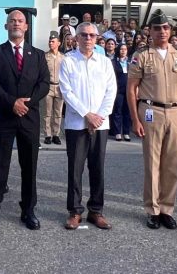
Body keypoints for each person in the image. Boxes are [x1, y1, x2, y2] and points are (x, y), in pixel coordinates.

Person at [0, 9, 50, 231]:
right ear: (6, 26)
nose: (16, 24)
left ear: (26, 27)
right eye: (12, 21)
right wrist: (12, 102)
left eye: (20, 21)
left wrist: (26, 104)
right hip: (4, 116)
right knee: (0, 164)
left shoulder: (38, 55)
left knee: (29, 166)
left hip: (29, 118)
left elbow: (44, 84)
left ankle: (28, 210)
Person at [127, 10, 177, 230]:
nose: (162, 32)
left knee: (171, 164)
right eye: (157, 28)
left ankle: (167, 208)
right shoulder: (142, 55)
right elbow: (131, 89)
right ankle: (152, 209)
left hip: (176, 111)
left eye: (166, 28)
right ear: (150, 31)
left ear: (171, 30)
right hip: (151, 111)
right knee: (152, 163)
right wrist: (135, 119)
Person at [59, 22, 117, 230]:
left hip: (100, 124)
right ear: (77, 38)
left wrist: (99, 116)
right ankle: (74, 211)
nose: (88, 39)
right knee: (75, 169)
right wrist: (86, 114)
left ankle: (96, 211)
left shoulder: (104, 63)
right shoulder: (68, 61)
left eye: (92, 35)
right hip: (77, 124)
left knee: (97, 168)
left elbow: (111, 91)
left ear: (97, 38)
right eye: (84, 35)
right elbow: (67, 92)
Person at [43, 33, 65, 145]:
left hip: (60, 87)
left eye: (53, 41)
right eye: (50, 41)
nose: (50, 43)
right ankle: (48, 134)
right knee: (47, 112)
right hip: (49, 86)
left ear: (59, 43)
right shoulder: (45, 56)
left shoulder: (63, 57)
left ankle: (56, 134)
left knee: (58, 112)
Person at [111, 43, 131, 141]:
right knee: (118, 111)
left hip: (128, 90)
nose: (123, 51)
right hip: (118, 90)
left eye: (125, 49)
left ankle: (126, 132)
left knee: (127, 111)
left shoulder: (131, 62)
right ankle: (118, 132)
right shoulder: (113, 62)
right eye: (121, 49)